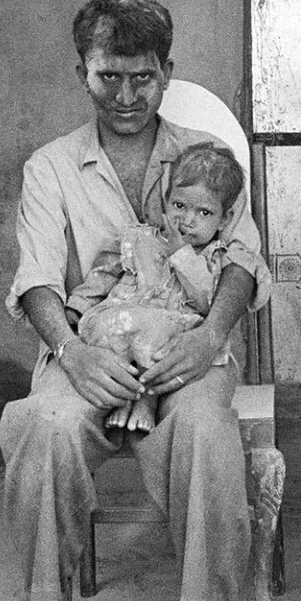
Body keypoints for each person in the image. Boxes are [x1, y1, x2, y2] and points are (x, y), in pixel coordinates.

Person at [0, 0, 272, 601]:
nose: (125, 95)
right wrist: (70, 352)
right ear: (81, 72)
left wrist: (212, 335)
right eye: (106, 76)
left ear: (167, 71)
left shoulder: (205, 163)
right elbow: (34, 278)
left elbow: (243, 260)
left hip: (185, 347)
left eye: (141, 78)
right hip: (89, 349)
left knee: (208, 430)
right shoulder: (50, 167)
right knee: (44, 425)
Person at [67, 141, 247, 434]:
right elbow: (104, 273)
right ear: (166, 201)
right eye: (179, 206)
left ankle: (147, 399)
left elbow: (206, 301)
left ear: (223, 219)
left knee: (164, 339)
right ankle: (125, 397)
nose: (187, 220)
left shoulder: (215, 256)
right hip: (124, 324)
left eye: (204, 213)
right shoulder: (137, 238)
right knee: (105, 330)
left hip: (169, 332)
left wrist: (181, 256)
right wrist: (77, 306)